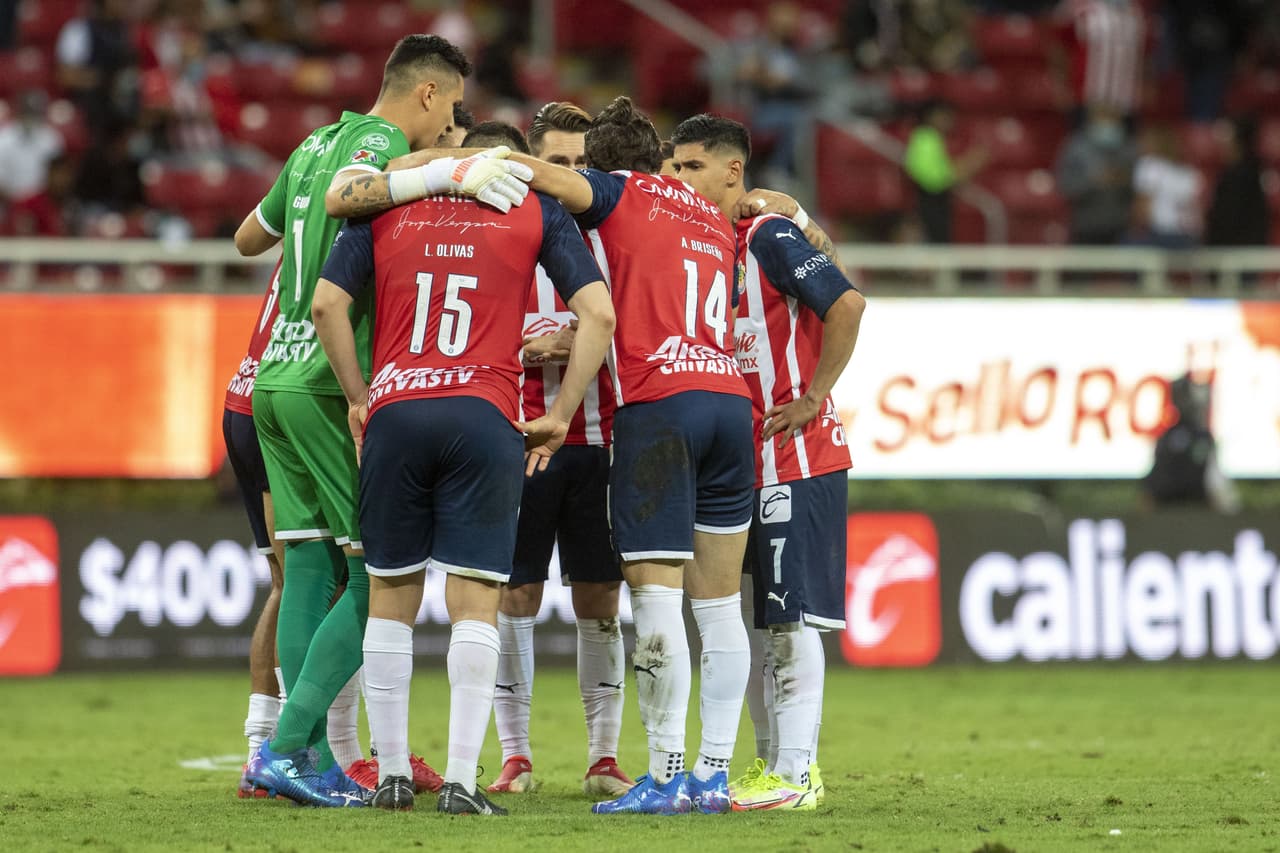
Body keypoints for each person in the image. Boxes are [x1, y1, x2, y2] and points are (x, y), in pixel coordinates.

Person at [237, 33, 529, 808]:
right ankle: (291, 746)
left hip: (271, 371)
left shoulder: (310, 143)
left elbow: (246, 239)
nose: (448, 129)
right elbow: (354, 195)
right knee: (376, 575)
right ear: (428, 93)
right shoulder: (377, 139)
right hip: (334, 380)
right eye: (449, 112)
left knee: (306, 567)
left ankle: (299, 756)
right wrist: (443, 172)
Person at [311, 142, 615, 814]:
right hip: (484, 414)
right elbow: (598, 314)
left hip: (396, 411)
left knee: (391, 594)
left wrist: (361, 398)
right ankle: (458, 781)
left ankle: (390, 775)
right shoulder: (535, 210)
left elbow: (326, 306)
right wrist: (562, 412)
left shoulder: (391, 206)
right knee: (475, 600)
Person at [508, 96, 756, 816]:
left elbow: (554, 186)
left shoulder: (621, 192)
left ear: (606, 167)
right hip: (729, 402)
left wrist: (468, 164)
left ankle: (667, 772)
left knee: (655, 601)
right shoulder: (711, 216)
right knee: (719, 609)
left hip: (659, 403)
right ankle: (714, 775)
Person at [669, 114, 865, 811]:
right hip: (737, 457)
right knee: (749, 621)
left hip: (794, 452)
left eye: (692, 167)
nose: (678, 179)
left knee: (788, 620)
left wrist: (814, 395)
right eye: (673, 167)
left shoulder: (765, 234)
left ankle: (799, 769)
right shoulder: (698, 244)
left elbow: (846, 303)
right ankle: (767, 766)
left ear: (732, 172)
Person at [473, 104, 634, 801]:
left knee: (599, 596)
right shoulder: (503, 236)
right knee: (517, 594)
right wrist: (539, 345)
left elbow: (647, 333)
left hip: (600, 445)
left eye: (581, 165)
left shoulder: (614, 241)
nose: (570, 177)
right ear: (534, 166)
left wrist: (586, 343)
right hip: (522, 441)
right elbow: (468, 335)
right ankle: (516, 755)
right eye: (558, 163)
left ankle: (604, 756)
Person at [225, 260, 286, 799]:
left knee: (288, 583)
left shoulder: (305, 193)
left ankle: (261, 748)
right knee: (326, 581)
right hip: (285, 401)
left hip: (244, 393)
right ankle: (286, 752)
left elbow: (247, 239)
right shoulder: (362, 218)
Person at [903, 100, 987, 244]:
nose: (949, 121)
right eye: (944, 116)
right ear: (930, 116)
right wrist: (970, 164)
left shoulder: (933, 139)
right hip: (928, 204)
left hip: (938, 203)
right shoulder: (925, 138)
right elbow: (933, 181)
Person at [1055, 104, 1136, 245]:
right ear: (1092, 117)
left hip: (1123, 228)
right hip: (1085, 226)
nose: (1108, 121)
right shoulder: (1076, 146)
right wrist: (1092, 181)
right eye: (1103, 115)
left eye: (1113, 115)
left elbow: (1147, 187)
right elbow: (1064, 185)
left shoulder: (1131, 148)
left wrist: (1124, 180)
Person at [1130, 124, 1202, 248]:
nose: (1141, 144)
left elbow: (1142, 209)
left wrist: (1136, 230)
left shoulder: (1150, 165)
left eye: (1146, 141)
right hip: (1188, 236)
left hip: (1159, 235)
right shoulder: (1191, 173)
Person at [1205, 116, 1270, 247]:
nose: (1221, 142)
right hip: (1227, 251)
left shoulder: (1248, 173)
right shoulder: (1231, 172)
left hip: (1239, 252)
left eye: (1227, 137)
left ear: (1239, 140)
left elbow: (1232, 218)